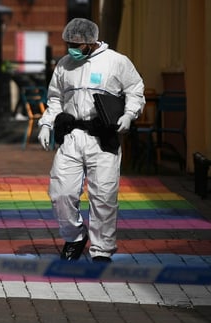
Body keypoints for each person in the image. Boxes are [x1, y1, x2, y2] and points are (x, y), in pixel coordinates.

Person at [37, 18, 145, 262]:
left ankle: (102, 250)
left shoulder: (117, 62)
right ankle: (74, 236)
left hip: (103, 136)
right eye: (68, 44)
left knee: (104, 196)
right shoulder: (65, 65)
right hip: (72, 135)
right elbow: (55, 98)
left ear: (91, 42)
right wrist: (45, 123)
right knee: (61, 191)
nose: (71, 49)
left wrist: (129, 114)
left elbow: (135, 90)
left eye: (76, 44)